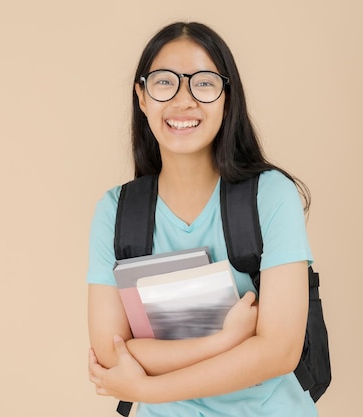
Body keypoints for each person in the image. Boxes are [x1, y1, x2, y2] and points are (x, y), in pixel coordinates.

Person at [86, 21, 317, 417]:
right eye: (164, 83)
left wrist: (145, 387)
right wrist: (226, 340)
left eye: (204, 83)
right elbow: (112, 351)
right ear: (142, 97)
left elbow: (279, 351)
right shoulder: (117, 210)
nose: (183, 101)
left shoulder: (271, 195)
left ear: (228, 97)